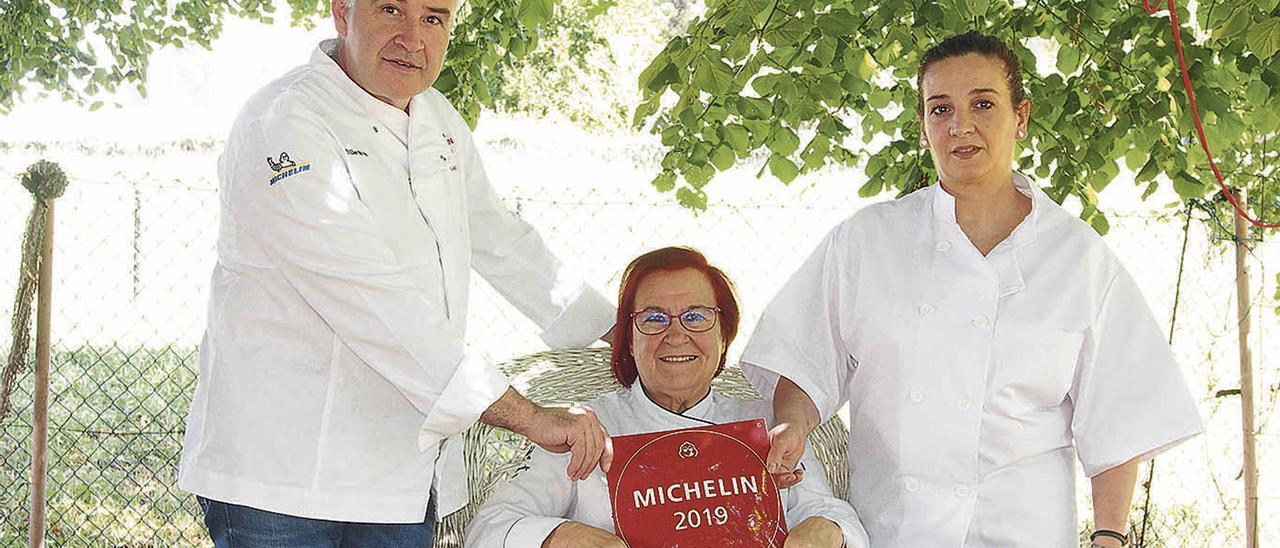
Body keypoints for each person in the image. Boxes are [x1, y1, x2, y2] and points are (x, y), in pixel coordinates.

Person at [177, 0, 617, 545]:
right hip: (283, 476)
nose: (413, 38)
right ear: (343, 12)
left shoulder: (437, 118)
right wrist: (528, 416)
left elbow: (498, 235)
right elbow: (375, 304)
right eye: (391, 10)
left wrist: (619, 329)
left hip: (399, 473)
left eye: (434, 18)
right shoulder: (285, 123)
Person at [741, 30, 1203, 548]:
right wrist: (794, 425)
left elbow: (1118, 418)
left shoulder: (1079, 258)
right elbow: (805, 362)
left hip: (1027, 533)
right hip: (897, 531)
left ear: (1021, 117)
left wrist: (1109, 537)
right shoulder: (867, 242)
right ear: (923, 127)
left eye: (983, 103)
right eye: (940, 109)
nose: (961, 125)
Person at [464, 247, 870, 548]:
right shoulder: (586, 429)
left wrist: (822, 532)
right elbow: (490, 529)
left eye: (696, 316)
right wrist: (561, 535)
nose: (676, 335)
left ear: (722, 333)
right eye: (654, 318)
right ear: (629, 338)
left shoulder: (765, 423)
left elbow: (832, 514)